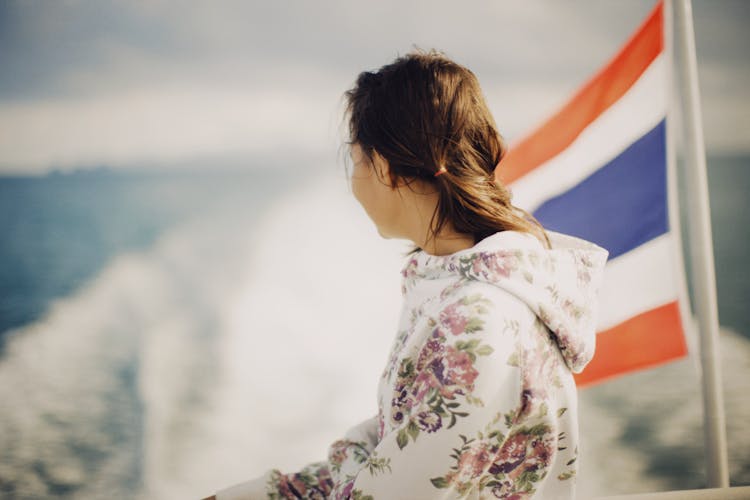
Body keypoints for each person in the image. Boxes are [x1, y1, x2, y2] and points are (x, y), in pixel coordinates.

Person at [207, 48, 608, 499]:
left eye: (356, 160)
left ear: (386, 169)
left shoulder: (477, 320)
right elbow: (387, 446)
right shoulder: (451, 288)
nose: (354, 179)